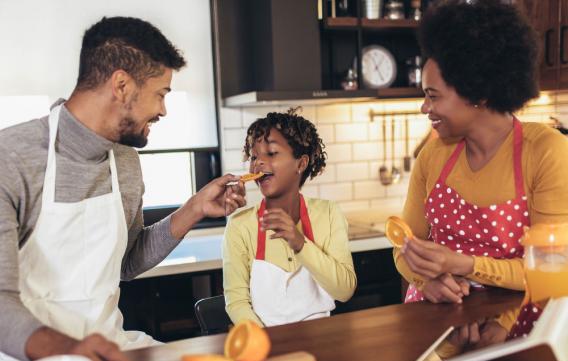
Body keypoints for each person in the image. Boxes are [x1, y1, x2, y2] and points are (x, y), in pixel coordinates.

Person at [0, 16, 246, 361]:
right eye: (161, 93)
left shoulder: (126, 163)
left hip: (112, 352)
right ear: (121, 85)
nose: (163, 110)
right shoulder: (11, 158)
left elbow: (126, 263)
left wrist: (194, 208)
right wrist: (70, 353)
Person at [395, 0, 568, 304]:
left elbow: (556, 272)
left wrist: (464, 266)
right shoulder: (432, 155)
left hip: (519, 327)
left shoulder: (545, 151)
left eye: (433, 96)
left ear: (479, 93)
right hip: (435, 327)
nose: (425, 108)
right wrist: (426, 282)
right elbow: (403, 247)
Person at [222, 109, 357, 327]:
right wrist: (264, 342)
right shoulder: (240, 226)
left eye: (272, 153)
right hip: (265, 345)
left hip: (322, 341)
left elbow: (345, 291)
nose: (258, 163)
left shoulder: (330, 214)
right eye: (254, 156)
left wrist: (299, 243)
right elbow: (236, 303)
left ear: (301, 164)